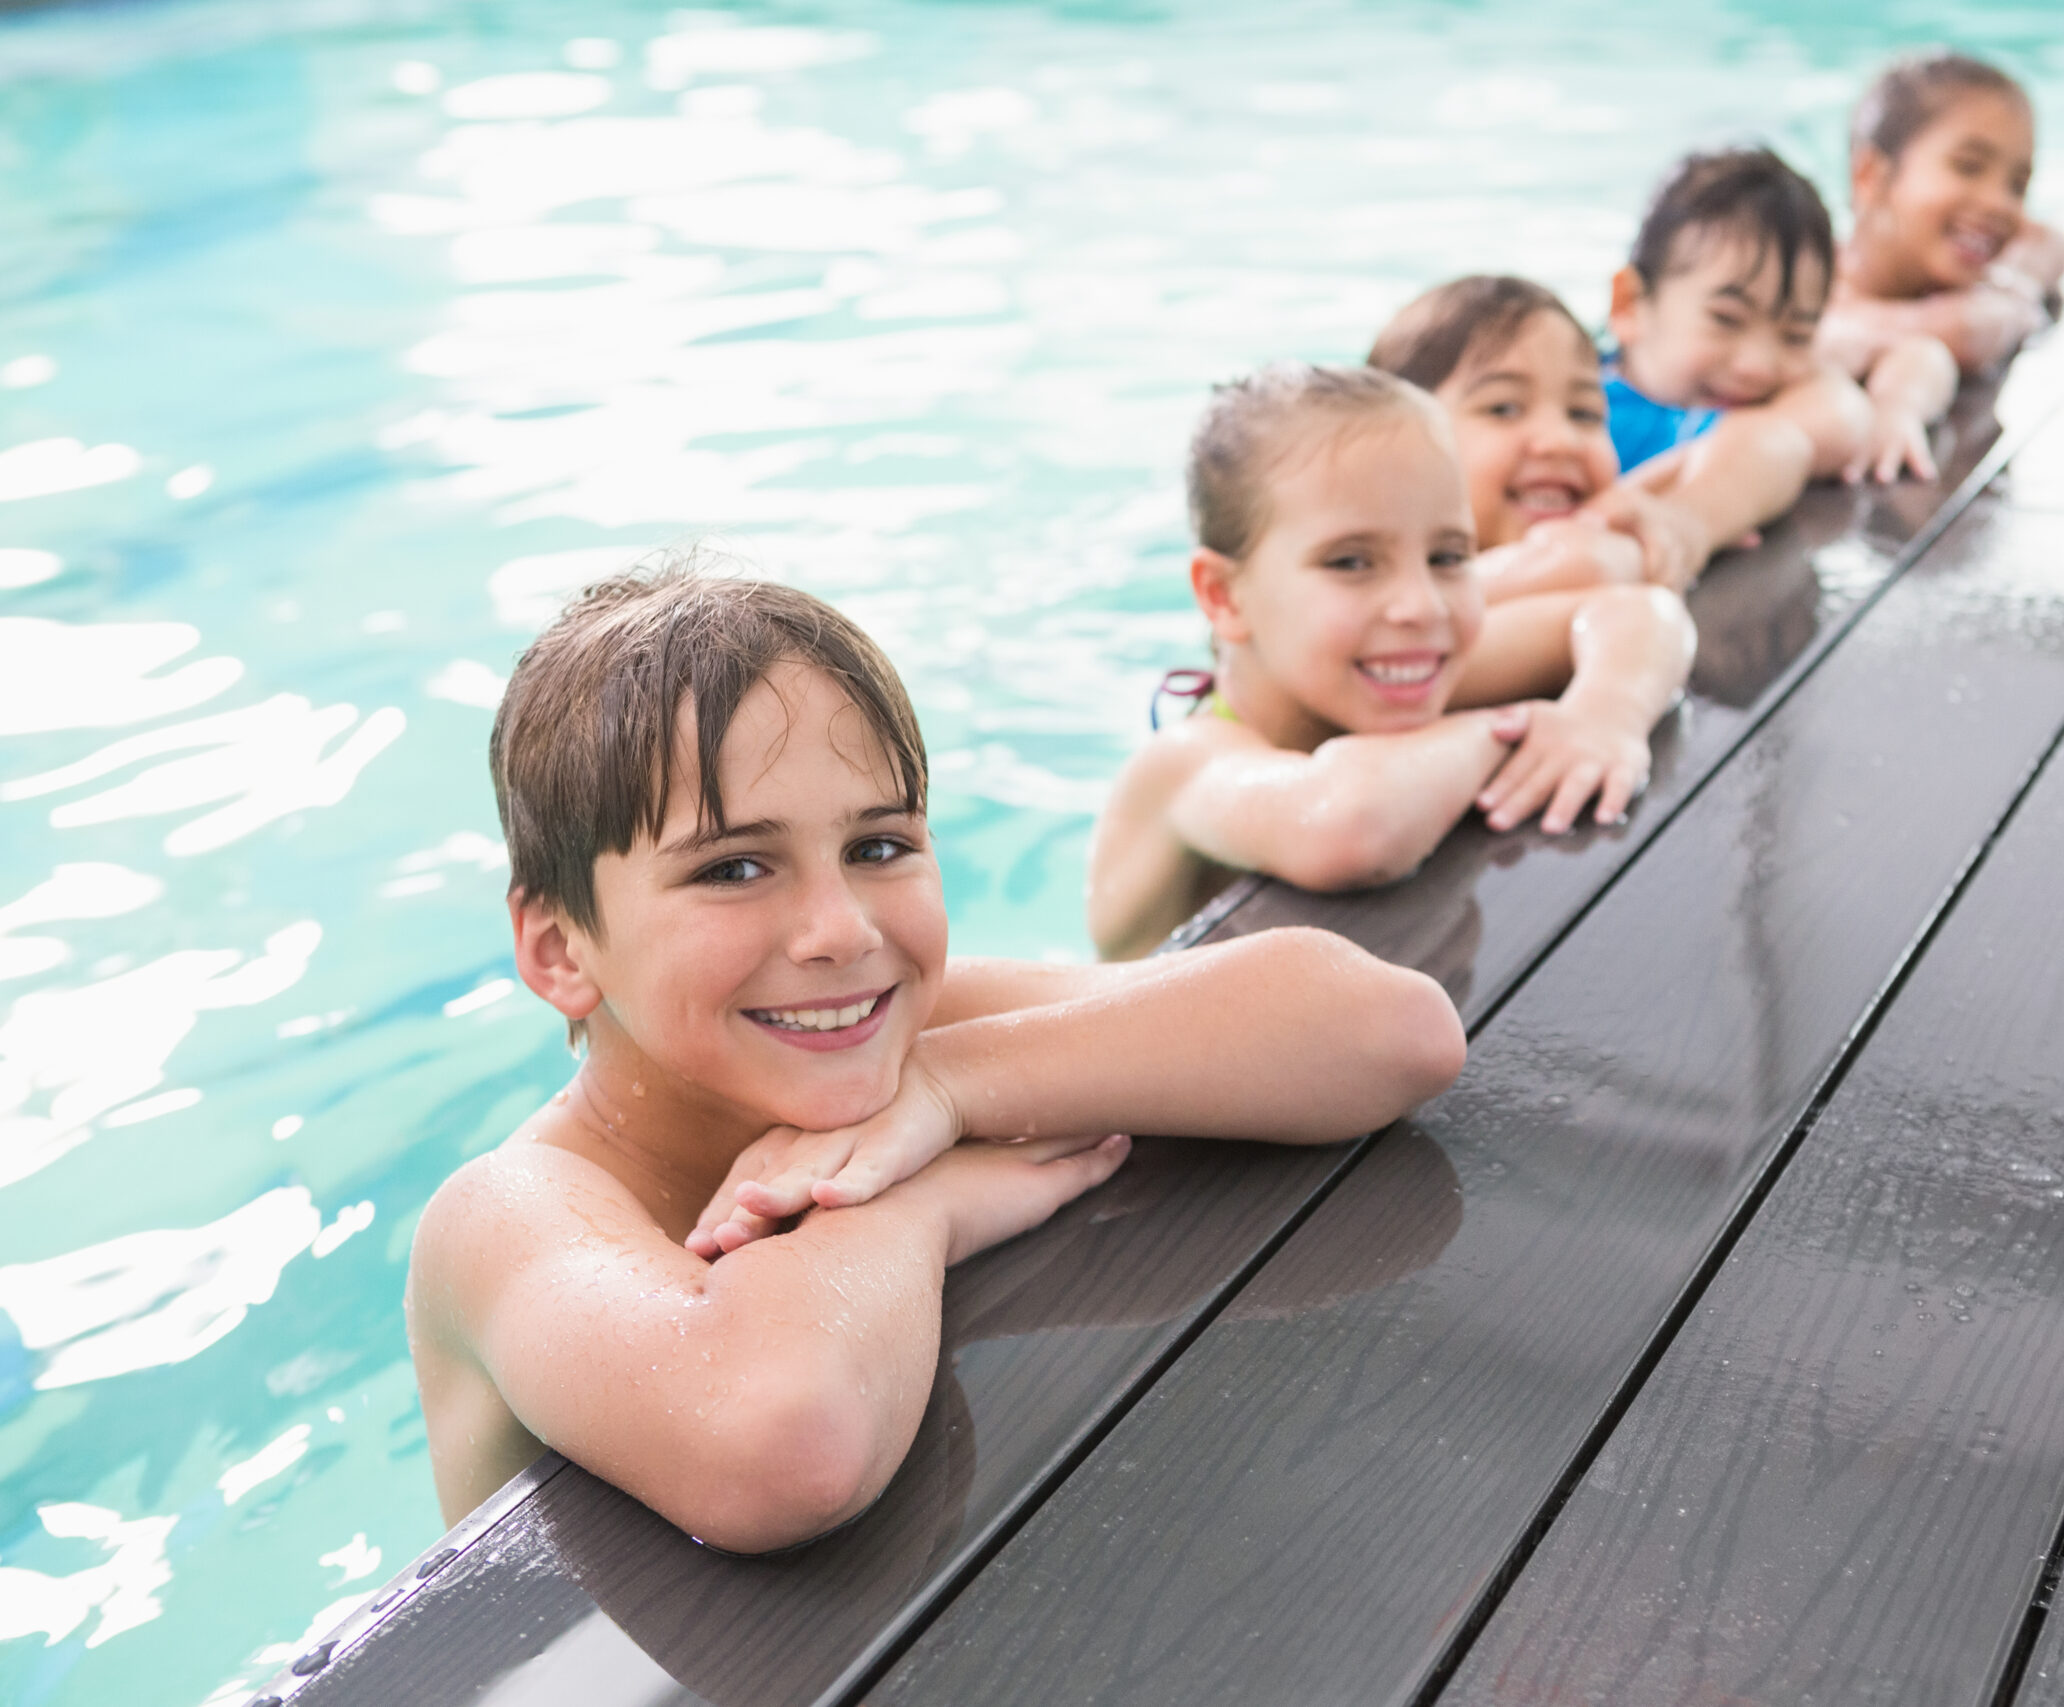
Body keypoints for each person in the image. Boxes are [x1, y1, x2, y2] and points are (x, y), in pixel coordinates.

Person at [407, 568, 1467, 1553]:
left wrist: (952, 1089)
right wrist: (919, 1203)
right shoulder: (508, 1210)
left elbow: (1390, 1030)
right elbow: (784, 1445)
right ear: (560, 951)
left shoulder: (896, 1025)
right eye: (734, 867)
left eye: (878, 847)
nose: (839, 930)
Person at [1086, 363, 1695, 961]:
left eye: (1449, 556)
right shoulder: (1181, 768)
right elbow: (1351, 827)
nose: (1420, 606)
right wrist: (1515, 728)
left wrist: (1601, 718)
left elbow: (1637, 612)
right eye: (1351, 562)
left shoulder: (1393, 667)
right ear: (1223, 596)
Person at [1368, 273, 1813, 599]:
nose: (1561, 440)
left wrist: (1688, 523)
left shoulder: (1614, 513)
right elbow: (1586, 565)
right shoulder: (1373, 600)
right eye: (1503, 408)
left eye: (1583, 413)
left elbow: (1777, 440)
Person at [1606, 146, 1958, 488]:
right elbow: (1836, 423)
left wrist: (1896, 407)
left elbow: (1920, 352)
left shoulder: (1770, 381)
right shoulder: (1594, 422)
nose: (1757, 365)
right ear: (1630, 305)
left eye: (1796, 335)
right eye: (1726, 319)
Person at [1826, 51, 2064, 376]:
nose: (2000, 204)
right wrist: (2001, 310)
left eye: (2017, 185)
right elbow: (1967, 332)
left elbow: (2047, 241)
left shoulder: (1950, 273)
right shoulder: (1810, 298)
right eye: (1968, 167)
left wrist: (2013, 288)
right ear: (1871, 176)